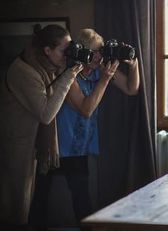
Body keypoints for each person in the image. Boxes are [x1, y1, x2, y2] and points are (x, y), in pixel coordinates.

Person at [29, 28, 140, 229]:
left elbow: (131, 89)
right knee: (40, 200)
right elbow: (86, 109)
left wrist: (133, 66)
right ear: (82, 51)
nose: (99, 56)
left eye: (101, 51)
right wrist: (105, 80)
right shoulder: (69, 75)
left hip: (78, 147)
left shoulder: (99, 70)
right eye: (94, 52)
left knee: (82, 200)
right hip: (55, 147)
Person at [0, 24, 83, 227]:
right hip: (16, 147)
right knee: (16, 209)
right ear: (47, 50)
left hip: (33, 145)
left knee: (30, 208)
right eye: (65, 50)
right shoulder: (24, 71)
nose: (67, 55)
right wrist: (69, 75)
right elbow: (46, 114)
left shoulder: (46, 66)